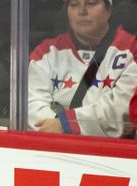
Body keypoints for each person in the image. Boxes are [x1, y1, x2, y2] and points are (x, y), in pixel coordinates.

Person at [28, 0, 137, 137]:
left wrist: (67, 125)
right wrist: (58, 128)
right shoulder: (45, 52)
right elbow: (31, 105)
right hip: (53, 148)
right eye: (74, 5)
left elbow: (121, 108)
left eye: (91, 3)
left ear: (108, 10)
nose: (82, 11)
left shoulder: (132, 50)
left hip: (111, 152)